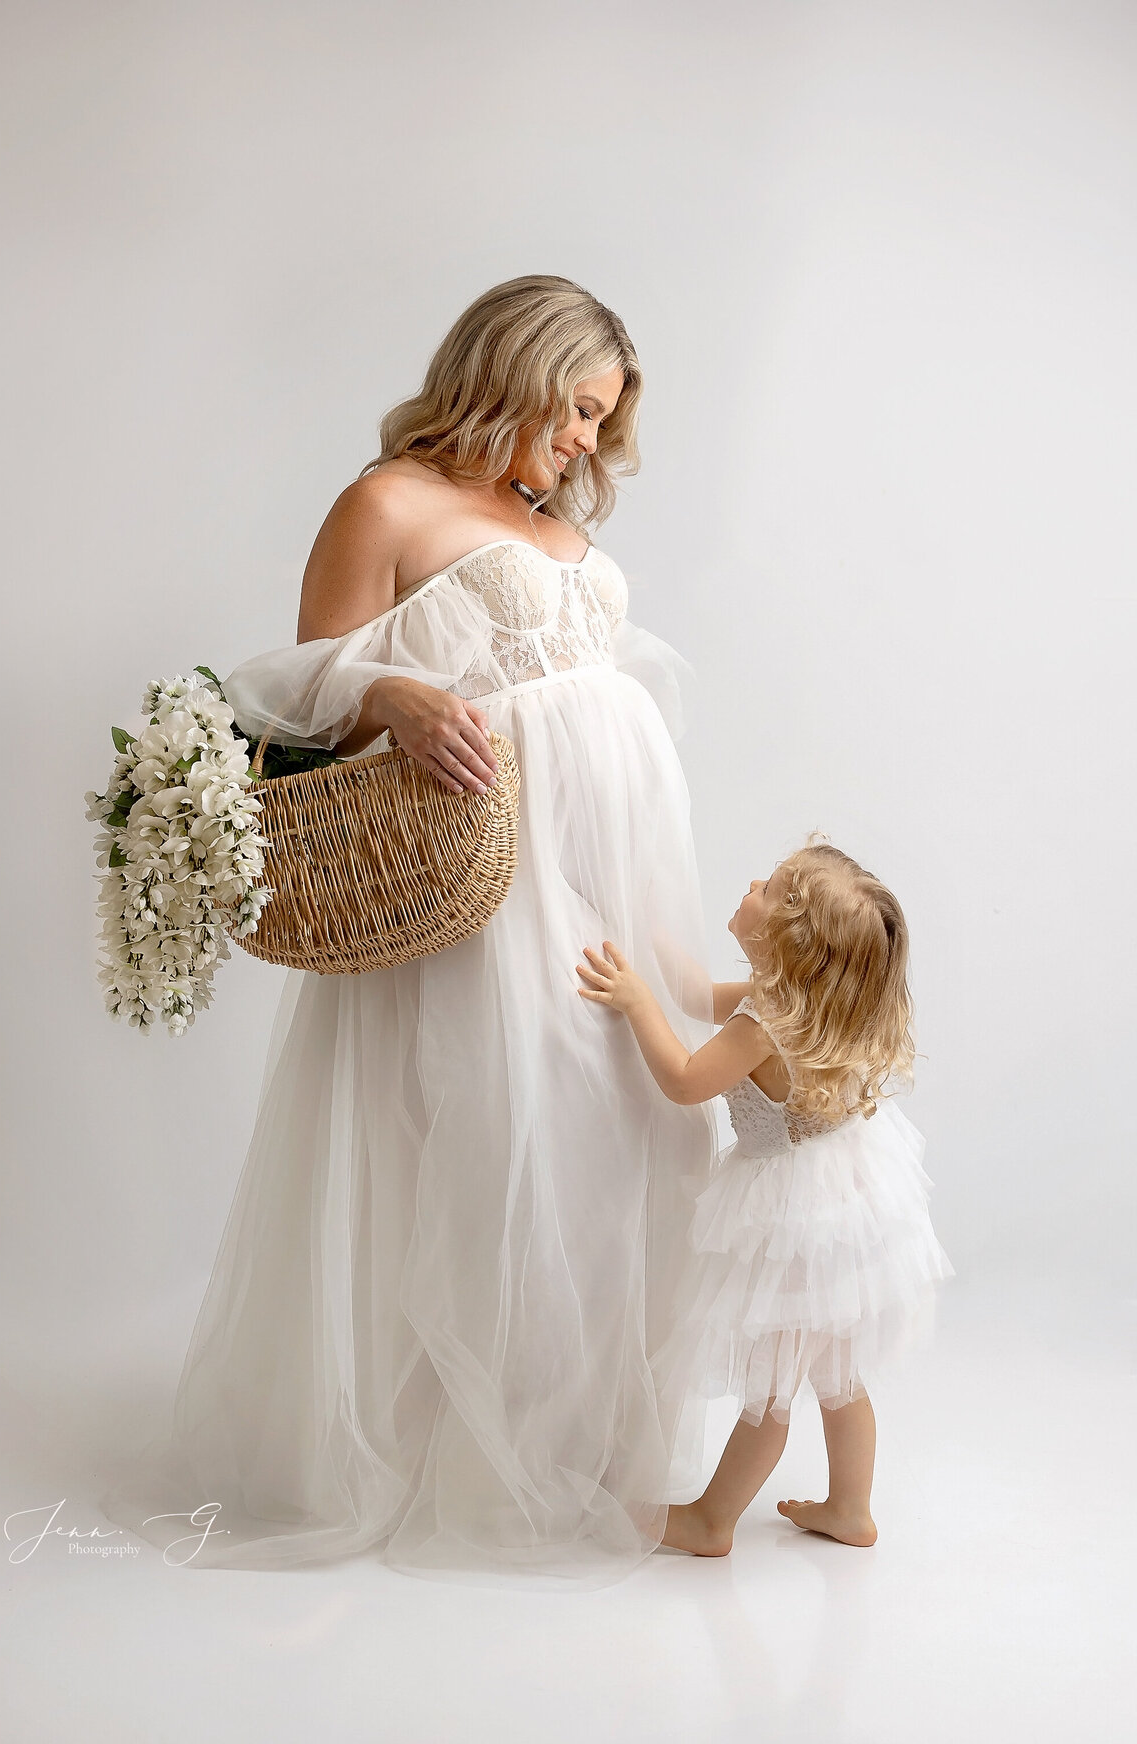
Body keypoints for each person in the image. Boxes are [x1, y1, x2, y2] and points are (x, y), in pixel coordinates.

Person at [102, 275, 717, 1589]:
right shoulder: (384, 502)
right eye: (578, 412)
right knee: (496, 1127)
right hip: (472, 884)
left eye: (605, 427)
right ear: (515, 370)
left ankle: (581, 1441)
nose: (588, 448)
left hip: (599, 875)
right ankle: (452, 1448)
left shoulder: (550, 521)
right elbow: (292, 691)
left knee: (618, 1127)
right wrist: (393, 691)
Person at [576, 842, 953, 1557]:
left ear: (787, 940)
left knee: (772, 1390)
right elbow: (692, 995)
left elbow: (686, 1079)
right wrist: (644, 923)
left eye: (770, 889)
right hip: (846, 1198)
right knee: (839, 1378)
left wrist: (634, 1004)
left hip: (797, 1219)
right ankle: (850, 1509)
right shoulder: (800, 1004)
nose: (751, 883)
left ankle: (713, 1520)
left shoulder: (762, 1026)